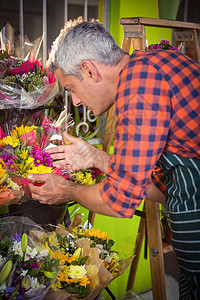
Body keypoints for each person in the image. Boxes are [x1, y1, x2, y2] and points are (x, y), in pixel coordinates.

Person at [28, 18, 200, 299]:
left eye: (71, 89)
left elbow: (118, 201)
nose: (76, 102)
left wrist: (66, 190)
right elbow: (166, 190)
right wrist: (97, 157)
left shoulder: (140, 87)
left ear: (89, 70)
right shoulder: (154, 64)